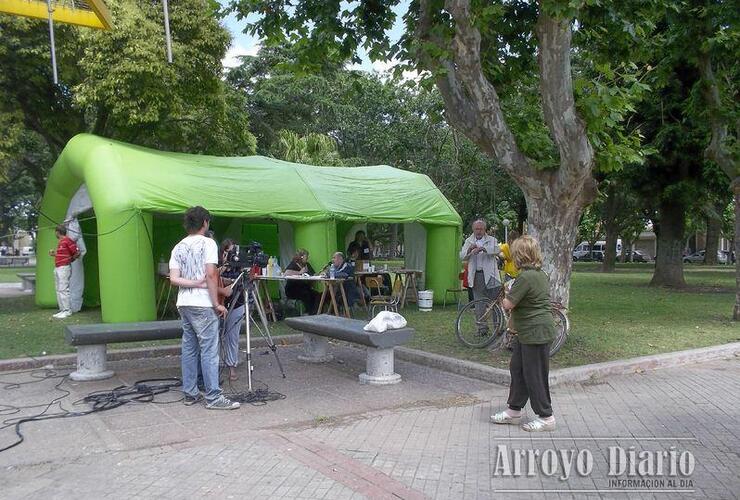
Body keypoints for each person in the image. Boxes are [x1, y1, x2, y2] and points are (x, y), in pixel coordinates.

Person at [169, 206, 240, 410]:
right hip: (202, 304)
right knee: (209, 350)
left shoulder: (178, 246)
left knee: (189, 349)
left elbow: (174, 279)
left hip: (184, 302)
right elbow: (210, 275)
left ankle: (190, 393)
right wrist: (216, 302)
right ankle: (214, 397)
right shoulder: (208, 243)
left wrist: (193, 283)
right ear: (205, 222)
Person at [490, 235, 557, 432]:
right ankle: (514, 411)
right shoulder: (539, 274)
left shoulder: (526, 277)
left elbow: (508, 304)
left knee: (534, 375)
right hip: (529, 332)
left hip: (535, 332)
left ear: (521, 255)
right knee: (518, 369)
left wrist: (505, 291)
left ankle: (546, 417)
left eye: (514, 253)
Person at [459, 219, 502, 333]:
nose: (478, 231)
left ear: (485, 230)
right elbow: (462, 256)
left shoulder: (492, 240)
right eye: (476, 229)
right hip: (477, 275)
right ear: (473, 229)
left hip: (491, 275)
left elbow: (497, 250)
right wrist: (469, 250)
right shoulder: (469, 240)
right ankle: (482, 329)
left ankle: (498, 328)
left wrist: (483, 248)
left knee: (495, 303)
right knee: (479, 304)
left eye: (481, 229)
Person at [218, 238, 244, 382]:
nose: (233, 255)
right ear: (223, 253)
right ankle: (213, 367)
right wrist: (224, 267)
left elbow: (241, 282)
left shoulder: (240, 267)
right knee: (215, 337)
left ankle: (231, 366)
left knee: (232, 337)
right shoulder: (216, 266)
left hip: (237, 303)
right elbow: (212, 279)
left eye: (235, 251)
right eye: (229, 252)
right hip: (218, 304)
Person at [49, 224, 79, 319]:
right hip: (58, 267)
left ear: (58, 232)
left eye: (55, 232)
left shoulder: (67, 240)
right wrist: (55, 254)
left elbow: (77, 252)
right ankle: (62, 310)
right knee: (58, 289)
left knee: (63, 289)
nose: (55, 234)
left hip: (64, 268)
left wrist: (70, 260)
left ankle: (67, 310)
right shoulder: (61, 242)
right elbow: (63, 255)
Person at [284, 248, 321, 314]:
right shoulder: (294, 264)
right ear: (301, 257)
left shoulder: (307, 265)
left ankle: (315, 313)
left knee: (317, 295)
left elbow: (313, 274)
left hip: (304, 288)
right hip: (293, 290)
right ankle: (309, 312)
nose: (307, 258)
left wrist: (320, 274)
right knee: (306, 295)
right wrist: (299, 272)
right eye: (306, 256)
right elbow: (286, 273)